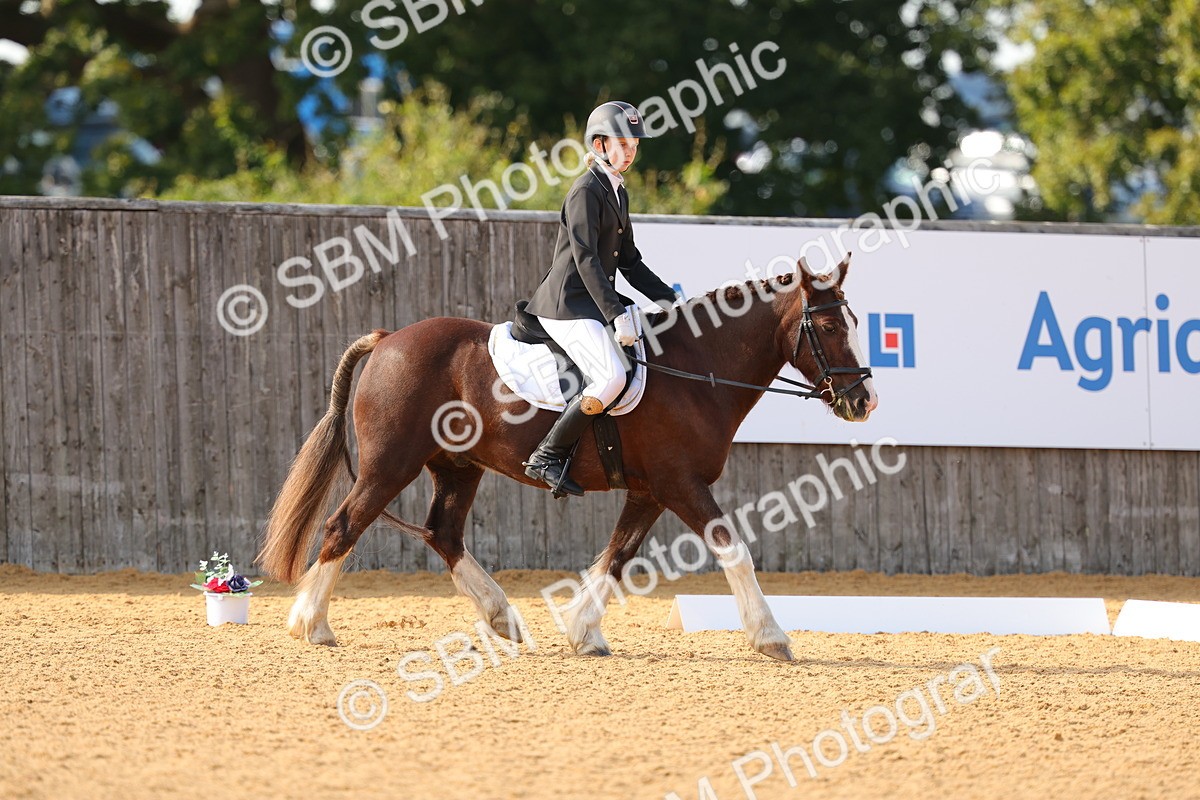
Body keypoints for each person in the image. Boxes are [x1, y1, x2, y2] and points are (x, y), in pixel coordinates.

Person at [520, 101, 679, 497]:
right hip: (567, 305)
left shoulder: (617, 192)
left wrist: (669, 299)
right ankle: (546, 456)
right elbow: (586, 258)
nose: (630, 152)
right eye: (623, 144)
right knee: (612, 377)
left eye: (634, 146)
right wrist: (615, 313)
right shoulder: (586, 190)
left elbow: (630, 262)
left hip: (590, 303)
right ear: (599, 143)